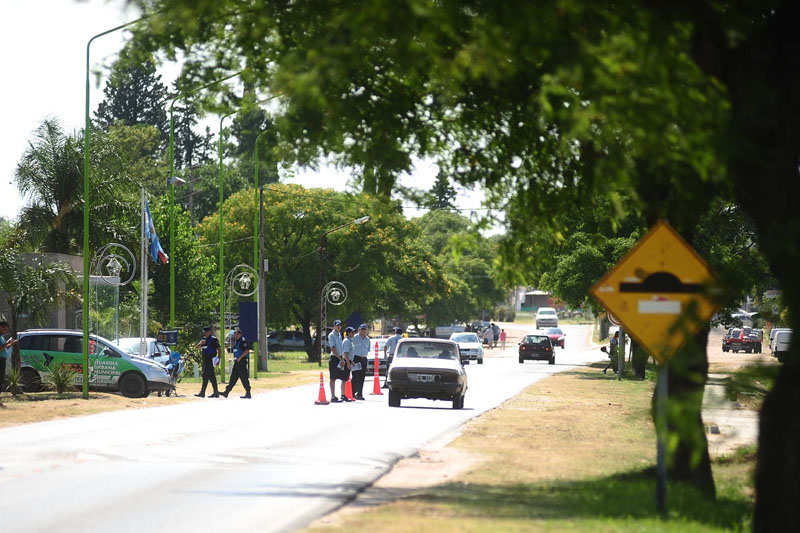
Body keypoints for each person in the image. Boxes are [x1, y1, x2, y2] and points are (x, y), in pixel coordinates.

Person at [220, 327, 252, 399]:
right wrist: (227, 348)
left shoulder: (243, 341)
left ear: (240, 334)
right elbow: (234, 350)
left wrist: (240, 357)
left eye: (237, 334)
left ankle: (248, 392)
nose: (236, 335)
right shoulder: (237, 342)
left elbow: (246, 350)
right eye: (235, 334)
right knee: (233, 378)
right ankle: (226, 392)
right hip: (237, 362)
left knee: (244, 378)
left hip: (241, 362)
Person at [195, 326, 221, 398]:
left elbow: (219, 349)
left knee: (205, 376)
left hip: (211, 360)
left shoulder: (213, 340)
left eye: (206, 332)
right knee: (211, 376)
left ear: (209, 332)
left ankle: (203, 392)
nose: (205, 333)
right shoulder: (203, 339)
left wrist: (218, 359)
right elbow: (197, 347)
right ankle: (215, 392)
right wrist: (201, 343)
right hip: (205, 360)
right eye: (204, 332)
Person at [327, 319, 348, 402]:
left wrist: (342, 358)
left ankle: (342, 395)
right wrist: (340, 358)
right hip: (334, 358)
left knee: (342, 377)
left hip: (340, 357)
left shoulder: (340, 335)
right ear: (334, 326)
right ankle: (333, 396)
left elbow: (341, 348)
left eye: (340, 325)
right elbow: (332, 348)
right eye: (337, 325)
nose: (339, 327)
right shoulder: (331, 335)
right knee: (333, 378)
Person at [351, 324, 371, 400]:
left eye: (365, 329)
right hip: (356, 358)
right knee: (355, 376)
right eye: (362, 329)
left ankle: (360, 394)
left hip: (363, 359)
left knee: (362, 377)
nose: (363, 331)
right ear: (359, 329)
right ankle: (352, 393)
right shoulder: (355, 337)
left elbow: (368, 349)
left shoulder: (367, 339)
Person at [0, 321, 16, 393]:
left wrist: (10, 344)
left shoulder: (1, 337)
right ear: (0, 327)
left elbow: (4, 348)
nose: (5, 331)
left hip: (2, 360)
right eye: (4, 329)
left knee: (1, 379)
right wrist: (7, 343)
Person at [340, 326, 356, 401]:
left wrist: (351, 361)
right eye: (352, 332)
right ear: (348, 333)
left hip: (349, 360)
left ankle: (344, 394)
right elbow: (345, 353)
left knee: (346, 378)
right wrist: (348, 363)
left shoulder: (350, 341)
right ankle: (343, 394)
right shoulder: (346, 341)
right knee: (344, 378)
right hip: (346, 361)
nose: (353, 333)